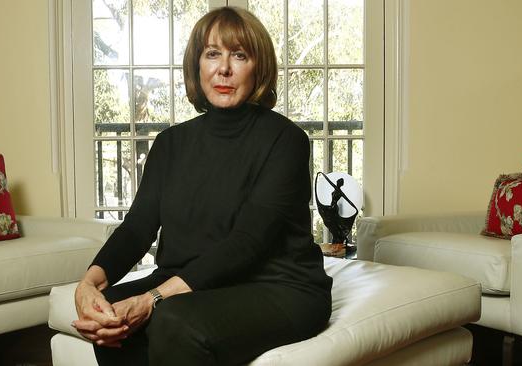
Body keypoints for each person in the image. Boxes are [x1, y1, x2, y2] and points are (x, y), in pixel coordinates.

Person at [72, 6, 333, 366]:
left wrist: (153, 299)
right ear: (198, 64)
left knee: (171, 321)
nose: (223, 68)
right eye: (212, 54)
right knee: (110, 311)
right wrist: (89, 283)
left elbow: (248, 243)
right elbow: (137, 227)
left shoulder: (285, 140)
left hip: (281, 287)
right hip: (191, 282)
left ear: (258, 67)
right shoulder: (170, 144)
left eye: (239, 55)